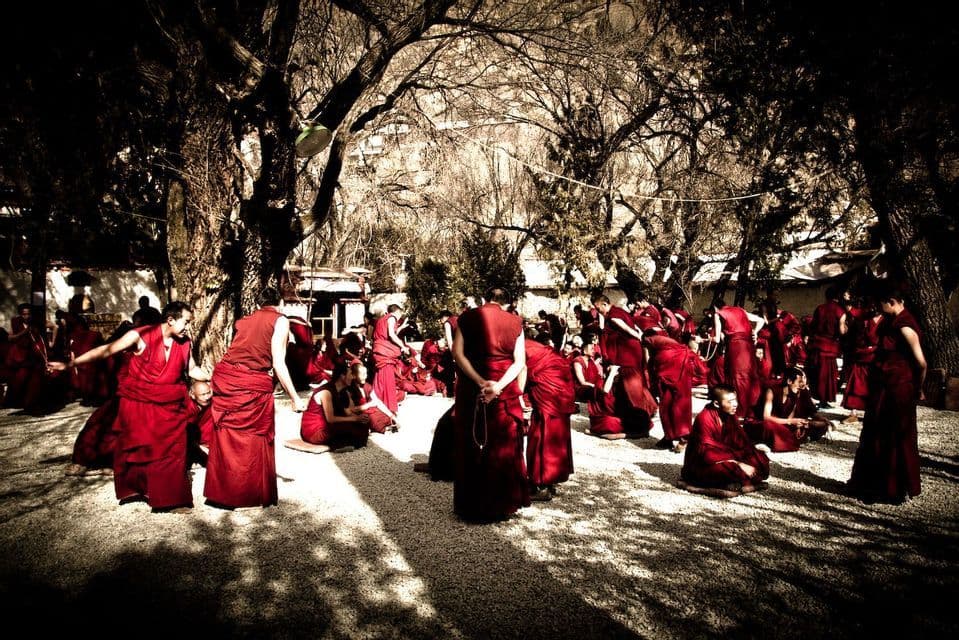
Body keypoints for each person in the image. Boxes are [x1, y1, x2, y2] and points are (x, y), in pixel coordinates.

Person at [49, 301, 207, 512]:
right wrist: (70, 364)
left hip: (169, 404)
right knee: (140, 448)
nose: (188, 327)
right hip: (139, 403)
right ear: (170, 320)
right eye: (186, 322)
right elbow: (106, 350)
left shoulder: (185, 342)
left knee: (172, 451)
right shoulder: (140, 336)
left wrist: (218, 376)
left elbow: (193, 369)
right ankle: (140, 489)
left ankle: (171, 500)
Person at [204, 288, 307, 510]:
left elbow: (240, 351)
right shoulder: (280, 320)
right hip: (249, 383)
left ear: (258, 303)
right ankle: (245, 496)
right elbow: (279, 362)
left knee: (227, 436)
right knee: (250, 439)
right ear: (279, 301)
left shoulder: (243, 321)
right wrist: (295, 398)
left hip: (228, 378)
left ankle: (221, 494)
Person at [453, 287, 529, 522]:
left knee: (472, 442)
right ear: (506, 304)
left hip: (472, 385)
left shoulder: (467, 317)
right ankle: (501, 504)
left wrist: (478, 381)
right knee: (501, 443)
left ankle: (471, 507)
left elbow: (458, 353)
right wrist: (499, 386)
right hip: (502, 388)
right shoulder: (515, 322)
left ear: (485, 299)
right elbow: (520, 362)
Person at [848, 283, 927, 505]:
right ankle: (870, 485)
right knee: (875, 435)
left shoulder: (905, 327)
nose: (880, 308)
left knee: (892, 437)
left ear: (891, 302)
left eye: (882, 304)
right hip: (882, 386)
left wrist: (918, 388)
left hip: (898, 389)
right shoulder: (891, 322)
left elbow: (921, 363)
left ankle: (891, 490)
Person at [680, 385, 770, 498]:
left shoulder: (729, 415)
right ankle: (739, 483)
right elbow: (706, 455)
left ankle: (733, 484)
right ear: (717, 404)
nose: (736, 404)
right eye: (730, 401)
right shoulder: (704, 419)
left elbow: (742, 441)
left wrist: (751, 453)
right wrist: (737, 462)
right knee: (727, 470)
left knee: (761, 461)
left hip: (728, 456)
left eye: (735, 400)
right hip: (702, 465)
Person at [591, 294, 658, 435]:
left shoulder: (614, 316)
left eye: (598, 308)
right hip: (632, 351)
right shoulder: (619, 310)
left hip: (627, 353)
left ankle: (640, 416)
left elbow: (628, 329)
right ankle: (645, 409)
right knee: (636, 381)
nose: (598, 312)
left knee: (630, 384)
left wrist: (639, 337)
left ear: (604, 304)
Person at [520, 338, 575, 501]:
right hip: (558, 381)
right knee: (556, 428)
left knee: (543, 430)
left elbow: (521, 367)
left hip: (546, 382)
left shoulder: (514, 345)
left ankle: (541, 484)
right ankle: (551, 479)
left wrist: (518, 395)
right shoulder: (533, 345)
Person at [644, 327, 702, 453]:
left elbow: (647, 359)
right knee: (680, 402)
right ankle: (669, 436)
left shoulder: (648, 339)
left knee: (668, 404)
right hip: (682, 367)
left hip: (669, 366)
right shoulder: (666, 340)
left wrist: (651, 381)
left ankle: (683, 436)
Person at [746, 367, 832, 452]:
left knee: (822, 425)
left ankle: (783, 439)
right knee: (769, 426)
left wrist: (821, 419)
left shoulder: (801, 391)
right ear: (789, 381)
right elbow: (766, 417)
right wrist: (791, 421)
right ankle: (771, 442)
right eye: (799, 382)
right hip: (771, 423)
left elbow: (810, 411)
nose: (802, 385)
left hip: (788, 425)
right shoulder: (772, 391)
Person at [300, 362, 370, 451]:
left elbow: (346, 412)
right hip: (315, 430)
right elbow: (331, 419)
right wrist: (355, 419)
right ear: (342, 376)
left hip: (329, 425)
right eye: (350, 374)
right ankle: (341, 444)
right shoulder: (326, 392)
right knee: (348, 429)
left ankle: (343, 443)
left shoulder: (342, 391)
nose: (353, 377)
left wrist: (360, 418)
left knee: (363, 424)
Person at [712, 300, 765, 418]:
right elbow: (761, 320)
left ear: (716, 308)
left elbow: (716, 339)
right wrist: (755, 332)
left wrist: (705, 340)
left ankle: (740, 411)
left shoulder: (718, 314)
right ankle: (753, 408)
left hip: (735, 347)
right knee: (750, 374)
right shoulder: (740, 310)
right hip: (748, 346)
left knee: (737, 376)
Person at [571, 336, 623, 437]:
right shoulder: (577, 361)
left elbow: (598, 376)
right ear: (584, 349)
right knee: (600, 391)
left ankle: (607, 411)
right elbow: (582, 382)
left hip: (594, 385)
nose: (593, 351)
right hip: (582, 388)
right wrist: (597, 386)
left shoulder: (591, 361)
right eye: (591, 348)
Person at [840, 300, 882, 423]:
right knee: (855, 384)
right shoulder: (863, 318)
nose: (873, 308)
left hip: (877, 357)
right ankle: (853, 413)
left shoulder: (886, 320)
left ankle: (875, 413)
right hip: (861, 355)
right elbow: (853, 336)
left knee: (875, 387)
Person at [806, 286, 848, 407]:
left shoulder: (820, 308)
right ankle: (824, 400)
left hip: (818, 345)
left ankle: (820, 399)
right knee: (828, 375)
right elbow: (841, 331)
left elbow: (812, 326)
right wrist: (847, 328)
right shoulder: (840, 310)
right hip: (830, 346)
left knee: (818, 373)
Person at [371, 305, 408, 417]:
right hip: (385, 352)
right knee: (388, 381)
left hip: (380, 349)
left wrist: (400, 327)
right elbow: (391, 335)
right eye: (400, 315)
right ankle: (388, 409)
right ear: (397, 312)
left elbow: (386, 334)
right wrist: (403, 346)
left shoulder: (382, 320)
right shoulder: (392, 318)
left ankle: (377, 403)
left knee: (380, 380)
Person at [346, 362, 398, 433]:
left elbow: (377, 402)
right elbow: (352, 410)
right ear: (354, 375)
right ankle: (384, 428)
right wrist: (369, 404)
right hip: (358, 413)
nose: (366, 376)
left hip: (369, 410)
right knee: (372, 419)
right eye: (363, 374)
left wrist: (391, 415)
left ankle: (387, 425)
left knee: (386, 415)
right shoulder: (349, 389)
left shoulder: (367, 386)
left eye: (366, 374)